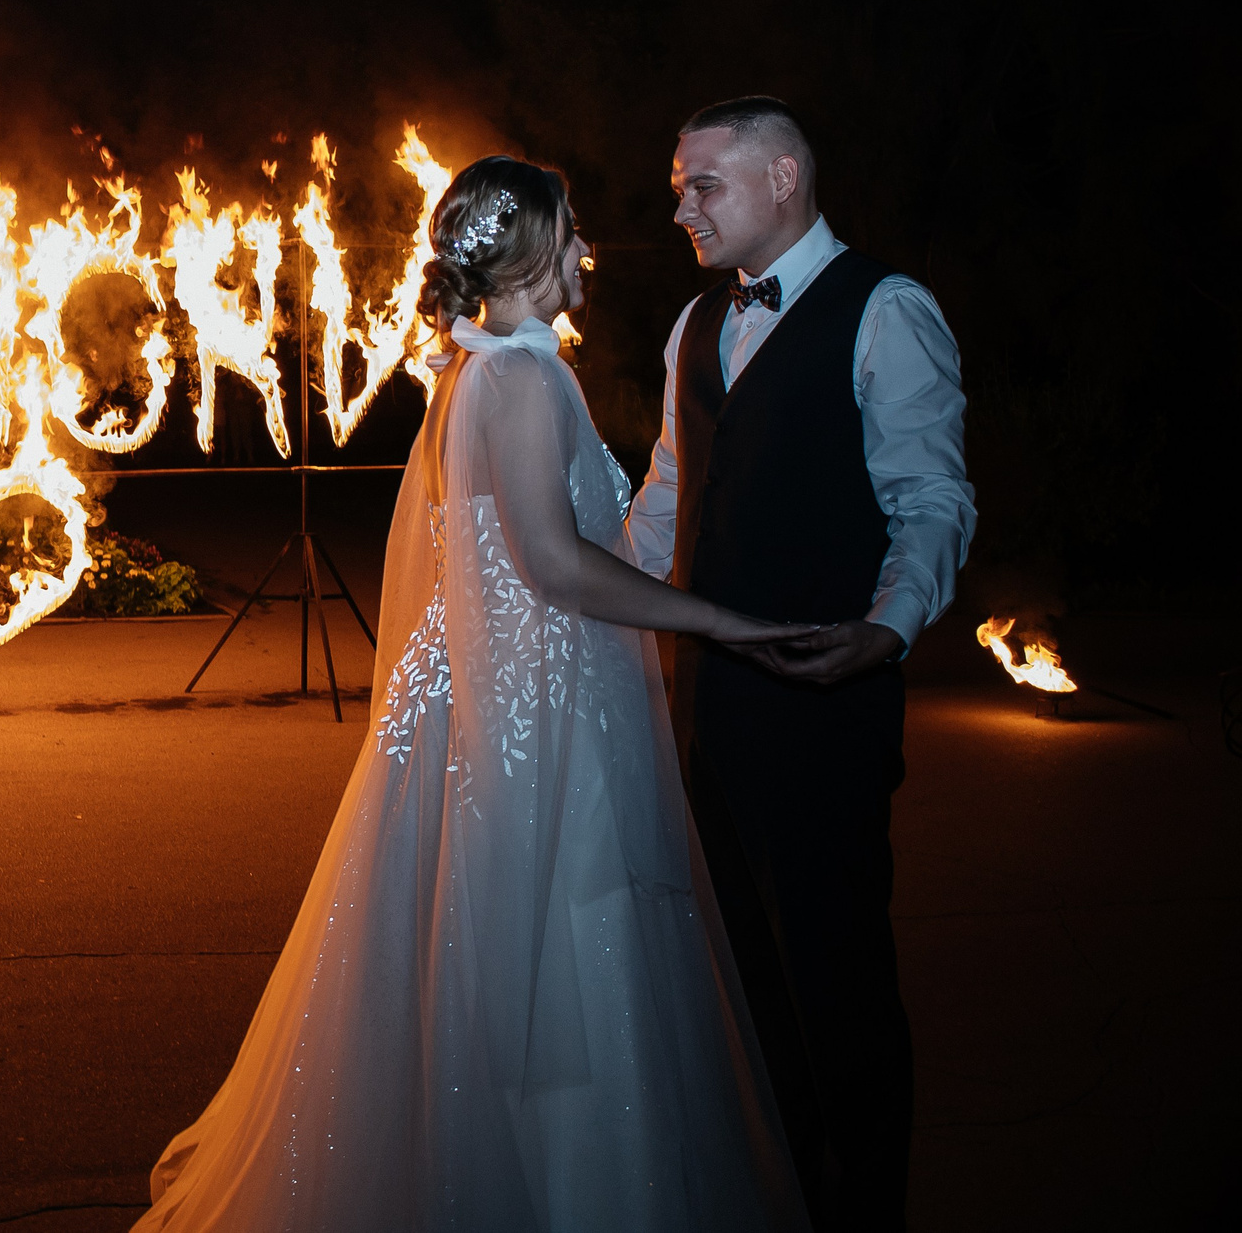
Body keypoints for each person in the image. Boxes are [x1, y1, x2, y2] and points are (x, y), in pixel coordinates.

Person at [137, 155, 810, 1233]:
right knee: (564, 965)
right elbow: (554, 564)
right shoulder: (521, 377)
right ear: (531, 252)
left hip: (491, 696)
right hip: (537, 718)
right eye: (572, 231)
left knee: (497, 966)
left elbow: (575, 535)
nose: (588, 249)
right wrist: (726, 625)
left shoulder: (486, 367)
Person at [625, 98, 973, 1231]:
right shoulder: (692, 326)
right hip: (703, 718)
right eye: (680, 185)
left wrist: (889, 625)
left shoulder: (886, 311)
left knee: (839, 990)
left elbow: (929, 499)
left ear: (782, 178)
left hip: (824, 712)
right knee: (747, 995)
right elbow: (665, 506)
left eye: (702, 185)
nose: (680, 206)